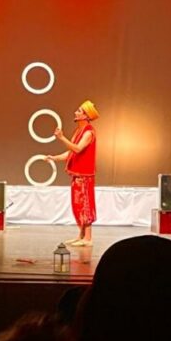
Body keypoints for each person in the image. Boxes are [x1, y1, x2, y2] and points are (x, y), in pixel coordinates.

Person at [44, 100, 98, 246]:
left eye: (79, 111)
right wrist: (54, 158)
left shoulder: (88, 132)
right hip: (77, 174)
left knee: (85, 204)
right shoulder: (78, 131)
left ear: (86, 116)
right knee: (77, 205)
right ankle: (81, 235)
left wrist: (61, 138)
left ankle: (88, 238)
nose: (76, 112)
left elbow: (78, 149)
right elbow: (71, 153)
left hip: (85, 175)